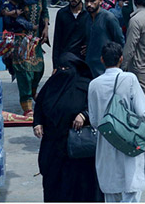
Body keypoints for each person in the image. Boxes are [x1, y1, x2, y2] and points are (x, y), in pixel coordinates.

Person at [88, 42, 145, 202]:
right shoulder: (129, 78)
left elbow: (94, 120)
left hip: (106, 143)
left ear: (102, 60)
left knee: (111, 193)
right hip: (130, 142)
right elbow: (143, 112)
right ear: (121, 58)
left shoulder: (94, 84)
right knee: (131, 190)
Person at [33, 53, 99, 202]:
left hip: (77, 149)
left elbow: (97, 107)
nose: (63, 71)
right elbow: (40, 106)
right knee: (54, 185)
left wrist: (84, 115)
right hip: (53, 146)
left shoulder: (85, 86)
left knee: (80, 187)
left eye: (67, 68)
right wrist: (37, 123)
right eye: (60, 68)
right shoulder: (51, 85)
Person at [1, 0, 49, 114]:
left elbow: (44, 11)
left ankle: (33, 91)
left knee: (39, 69)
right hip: (20, 40)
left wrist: (45, 28)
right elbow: (4, 12)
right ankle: (26, 104)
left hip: (36, 39)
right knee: (25, 73)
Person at [83, 0, 125, 77]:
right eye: (86, 1)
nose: (89, 4)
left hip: (105, 70)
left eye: (92, 1)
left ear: (101, 1)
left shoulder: (108, 18)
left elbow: (120, 42)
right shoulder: (86, 17)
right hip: (88, 69)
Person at [52, 0, 90, 69]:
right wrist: (55, 66)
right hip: (65, 59)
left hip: (82, 60)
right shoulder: (61, 13)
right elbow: (57, 40)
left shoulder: (88, 14)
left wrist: (90, 46)